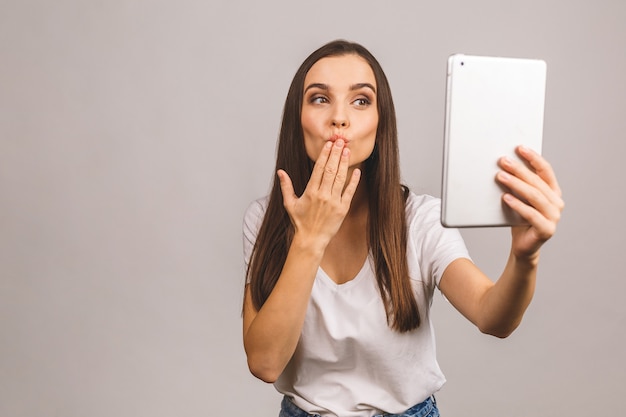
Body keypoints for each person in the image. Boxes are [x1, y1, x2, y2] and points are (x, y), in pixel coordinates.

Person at [241, 40, 563, 417]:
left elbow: (493, 317)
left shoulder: (420, 220)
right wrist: (309, 239)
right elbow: (265, 363)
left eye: (361, 101)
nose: (339, 118)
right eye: (319, 99)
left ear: (382, 123)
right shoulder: (264, 219)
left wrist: (526, 256)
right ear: (297, 119)